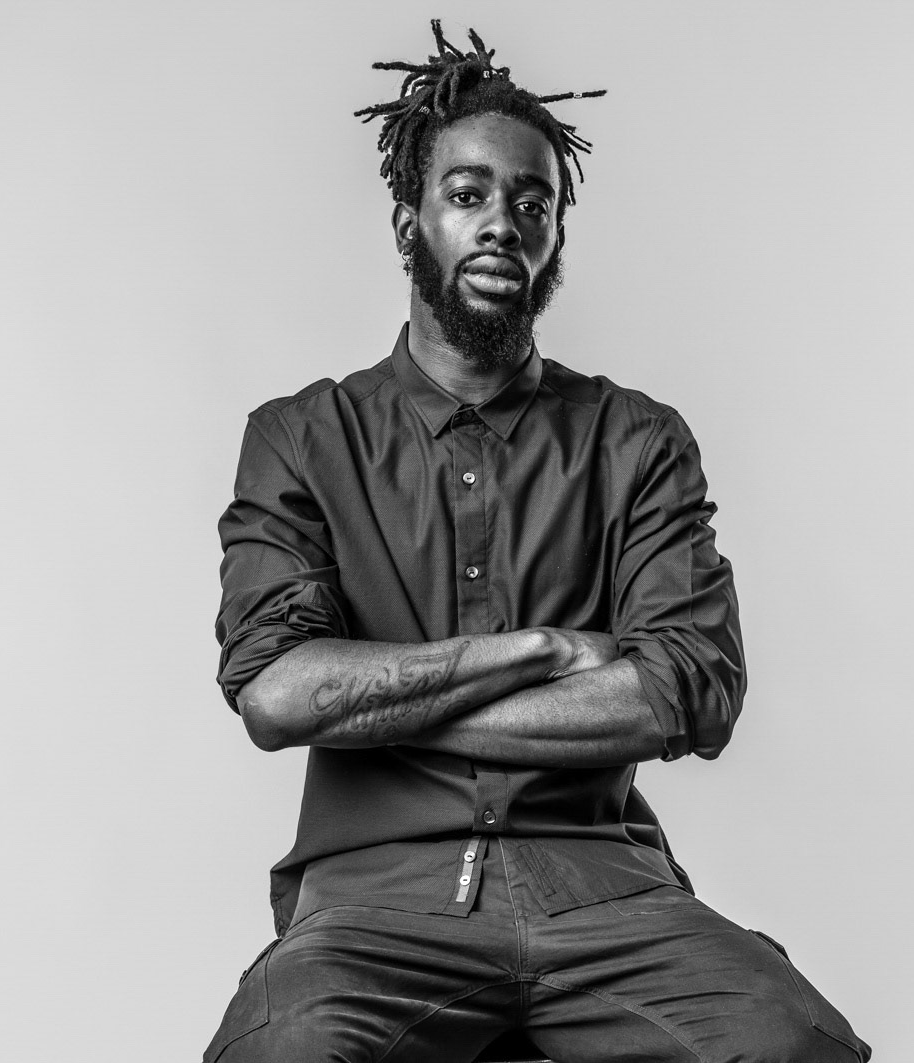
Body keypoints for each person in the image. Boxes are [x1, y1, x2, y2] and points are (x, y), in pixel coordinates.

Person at [205, 21, 871, 1063]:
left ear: (556, 235)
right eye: (467, 194)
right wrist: (546, 651)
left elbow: (688, 690)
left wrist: (380, 705)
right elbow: (278, 695)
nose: (501, 224)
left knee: (790, 1043)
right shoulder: (301, 436)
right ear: (409, 222)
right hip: (375, 904)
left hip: (606, 893)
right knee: (284, 1052)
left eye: (531, 202)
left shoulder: (636, 439)